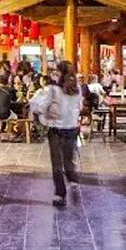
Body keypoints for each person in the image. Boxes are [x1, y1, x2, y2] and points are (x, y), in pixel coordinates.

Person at [32, 60, 82, 207]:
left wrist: (39, 110)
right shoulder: (77, 89)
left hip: (56, 129)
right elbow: (78, 107)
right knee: (69, 159)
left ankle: (60, 194)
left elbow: (40, 106)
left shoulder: (52, 90)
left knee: (57, 164)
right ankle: (73, 180)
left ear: (59, 73)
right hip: (72, 128)